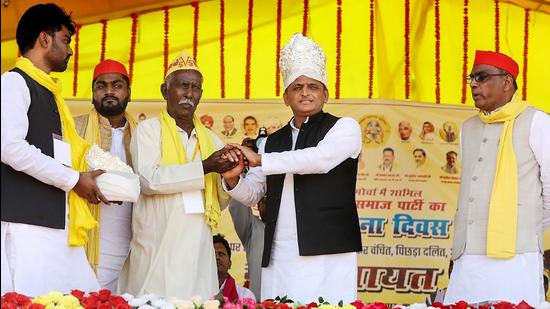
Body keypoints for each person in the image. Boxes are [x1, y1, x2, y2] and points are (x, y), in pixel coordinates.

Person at [222, 33, 362, 304]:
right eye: (297, 87)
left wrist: (262, 159)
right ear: (286, 97)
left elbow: (319, 160)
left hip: (328, 252)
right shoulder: (273, 141)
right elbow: (255, 192)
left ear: (326, 94)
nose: (305, 92)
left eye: (312, 86)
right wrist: (233, 180)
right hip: (281, 252)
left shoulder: (344, 128)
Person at [1, 3, 106, 295]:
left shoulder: (50, 92)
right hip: (27, 226)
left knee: (84, 297)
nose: (71, 50)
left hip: (57, 222)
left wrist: (87, 180)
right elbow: (9, 147)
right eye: (66, 40)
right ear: (44, 39)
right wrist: (73, 180)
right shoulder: (13, 82)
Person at [119, 50, 239, 299]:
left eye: (195, 88)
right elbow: (149, 180)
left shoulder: (211, 139)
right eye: (182, 86)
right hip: (158, 244)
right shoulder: (148, 131)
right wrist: (205, 166)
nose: (189, 94)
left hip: (197, 248)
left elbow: (221, 200)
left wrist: (230, 177)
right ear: (165, 90)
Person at [444, 50, 550, 305]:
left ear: (506, 82)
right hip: (467, 255)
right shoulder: (467, 128)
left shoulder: (536, 121)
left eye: (482, 77)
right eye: (471, 78)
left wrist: (527, 224)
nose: (473, 84)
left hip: (515, 254)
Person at [73, 59, 136, 291]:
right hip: (84, 243)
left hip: (132, 242)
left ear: (129, 91)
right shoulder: (73, 128)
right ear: (92, 93)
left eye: (117, 85)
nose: (109, 91)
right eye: (101, 86)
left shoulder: (145, 135)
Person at [213, 234, 256, 301]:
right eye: (212, 254)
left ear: (230, 264)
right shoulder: (195, 293)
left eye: (221, 254)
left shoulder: (245, 296)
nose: (217, 257)